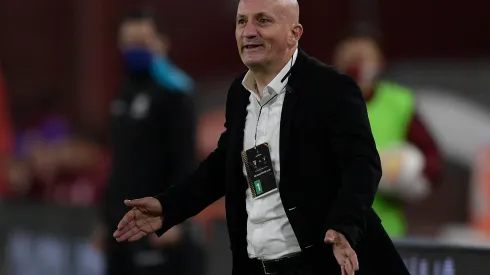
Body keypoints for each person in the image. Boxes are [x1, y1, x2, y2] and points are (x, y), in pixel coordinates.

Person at [113, 1, 410, 275]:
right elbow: (221, 167)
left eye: (263, 21)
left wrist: (344, 226)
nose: (249, 32)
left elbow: (363, 165)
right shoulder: (239, 93)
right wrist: (168, 207)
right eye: (241, 22)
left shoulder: (331, 88)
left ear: (294, 33)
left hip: (326, 263)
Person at [96, 9, 205, 275]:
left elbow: (185, 161)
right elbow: (120, 163)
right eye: (129, 42)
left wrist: (176, 219)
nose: (135, 49)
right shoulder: (123, 93)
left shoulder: (175, 93)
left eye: (142, 42)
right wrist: (104, 220)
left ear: (161, 43)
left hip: (157, 228)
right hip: (120, 228)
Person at [332, 23, 442, 237]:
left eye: (364, 61)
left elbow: (433, 160)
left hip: (385, 233)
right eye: (351, 62)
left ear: (379, 63)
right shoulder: (317, 101)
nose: (357, 70)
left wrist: (413, 181)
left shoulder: (399, 103)